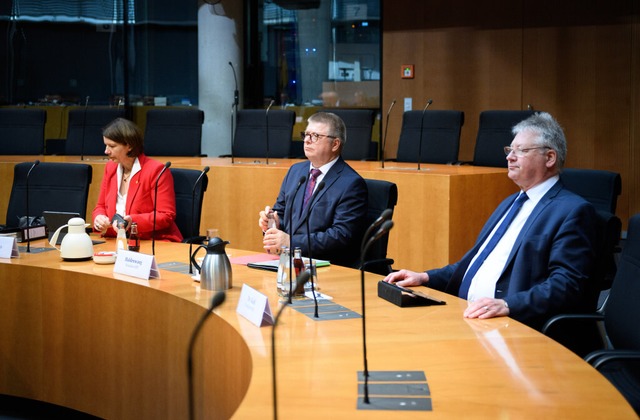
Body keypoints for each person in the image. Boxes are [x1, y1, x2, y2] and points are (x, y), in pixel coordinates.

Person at [384, 112, 597, 330]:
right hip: (467, 315)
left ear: (550, 158)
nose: (509, 157)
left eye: (521, 151)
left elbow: (567, 285)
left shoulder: (572, 210)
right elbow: (474, 263)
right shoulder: (510, 203)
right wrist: (425, 277)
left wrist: (508, 305)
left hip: (513, 326)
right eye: (510, 150)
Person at [258, 112, 367, 267]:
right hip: (288, 263)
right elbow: (280, 211)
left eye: (315, 136)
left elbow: (341, 236)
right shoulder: (295, 172)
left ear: (335, 144)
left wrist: (290, 242)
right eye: (306, 134)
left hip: (327, 267)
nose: (307, 140)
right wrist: (273, 222)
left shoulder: (351, 184)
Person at [93, 118, 182, 242]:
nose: (106, 151)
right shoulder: (110, 167)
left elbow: (166, 215)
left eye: (112, 146)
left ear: (129, 146)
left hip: (151, 240)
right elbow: (101, 206)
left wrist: (133, 222)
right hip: (115, 239)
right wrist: (99, 217)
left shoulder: (156, 170)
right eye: (106, 145)